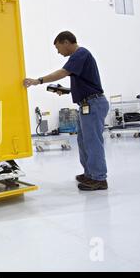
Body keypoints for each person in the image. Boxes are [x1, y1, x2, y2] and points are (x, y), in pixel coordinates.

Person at [24, 31, 109, 191]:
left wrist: (38, 81)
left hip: (93, 104)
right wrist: (67, 91)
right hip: (87, 103)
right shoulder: (79, 57)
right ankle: (90, 174)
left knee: (92, 142)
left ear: (66, 42)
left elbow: (63, 72)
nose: (58, 52)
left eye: (58, 48)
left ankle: (99, 178)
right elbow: (86, 84)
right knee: (83, 141)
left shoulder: (80, 54)